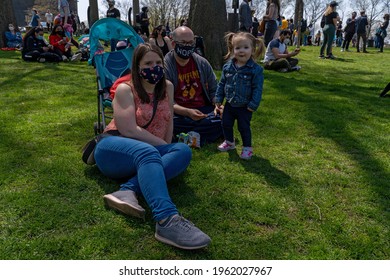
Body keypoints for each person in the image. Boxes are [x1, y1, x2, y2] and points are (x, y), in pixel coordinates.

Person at [93, 43, 211, 250]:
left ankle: (128, 190)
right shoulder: (125, 89)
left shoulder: (167, 87)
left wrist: (168, 146)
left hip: (146, 154)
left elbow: (169, 121)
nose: (154, 67)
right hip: (113, 148)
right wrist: (163, 148)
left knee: (182, 150)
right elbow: (128, 130)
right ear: (137, 66)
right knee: (150, 151)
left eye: (158, 62)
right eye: (148, 63)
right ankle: (166, 220)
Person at [164, 26, 223, 145]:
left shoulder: (202, 63)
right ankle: (200, 135)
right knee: (167, 122)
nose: (188, 46)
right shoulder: (166, 65)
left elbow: (214, 90)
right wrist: (187, 112)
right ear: (174, 43)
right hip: (178, 112)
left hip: (202, 109)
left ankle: (186, 136)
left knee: (224, 119)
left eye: (191, 42)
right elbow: (166, 101)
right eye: (184, 43)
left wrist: (218, 105)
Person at [215, 32, 264, 160]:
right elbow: (222, 84)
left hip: (245, 106)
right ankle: (229, 142)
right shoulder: (227, 67)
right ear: (232, 50)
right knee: (225, 123)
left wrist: (253, 104)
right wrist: (218, 99)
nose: (241, 51)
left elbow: (257, 89)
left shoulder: (255, 70)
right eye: (237, 48)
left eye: (245, 48)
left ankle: (247, 148)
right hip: (230, 104)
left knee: (243, 127)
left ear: (252, 50)